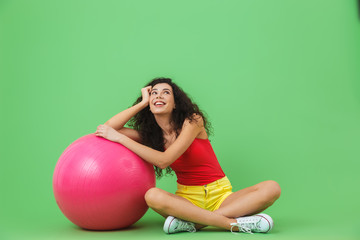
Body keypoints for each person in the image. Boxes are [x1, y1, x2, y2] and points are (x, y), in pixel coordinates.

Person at [94, 77, 281, 234]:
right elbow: (108, 127)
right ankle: (233, 224)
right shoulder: (151, 136)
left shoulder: (193, 121)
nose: (158, 95)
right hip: (188, 199)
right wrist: (142, 103)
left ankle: (194, 223)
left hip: (221, 195)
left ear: (175, 103)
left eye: (166, 92)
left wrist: (119, 138)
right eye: (154, 93)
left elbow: (163, 161)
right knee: (152, 196)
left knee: (272, 188)